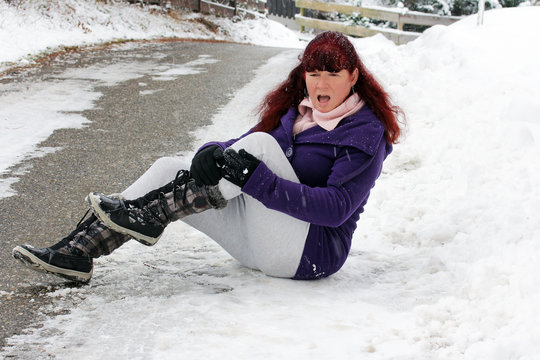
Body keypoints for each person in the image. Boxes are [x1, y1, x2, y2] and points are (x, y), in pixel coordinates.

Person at [12, 31, 402, 283]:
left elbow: (336, 209)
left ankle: (151, 214)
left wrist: (256, 179)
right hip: (258, 243)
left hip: (307, 255)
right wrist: (210, 153)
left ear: (353, 76)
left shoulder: (364, 133)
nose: (320, 83)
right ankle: (78, 252)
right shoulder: (296, 113)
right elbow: (240, 144)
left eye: (332, 74)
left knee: (263, 148)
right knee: (170, 167)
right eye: (313, 73)